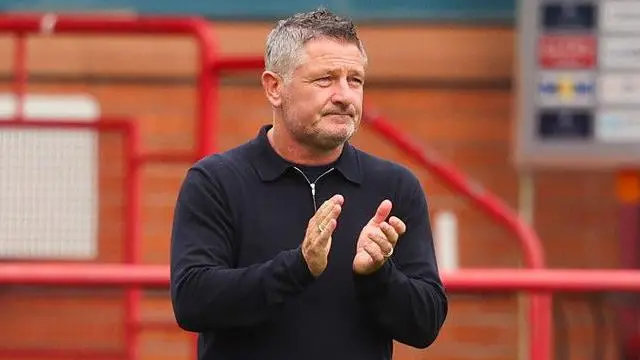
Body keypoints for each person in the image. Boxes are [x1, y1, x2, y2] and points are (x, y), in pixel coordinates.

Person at [169, 8, 448, 360]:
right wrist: (298, 267)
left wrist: (379, 274)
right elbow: (192, 302)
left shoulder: (394, 187)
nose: (345, 96)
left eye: (355, 80)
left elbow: (425, 325)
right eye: (325, 79)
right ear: (274, 88)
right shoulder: (216, 181)